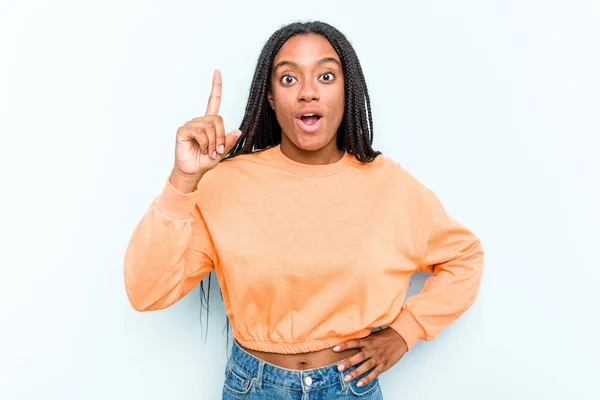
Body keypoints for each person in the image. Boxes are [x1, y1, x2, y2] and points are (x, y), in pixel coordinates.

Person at [124, 21, 484, 399]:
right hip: (254, 388)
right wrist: (183, 179)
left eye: (326, 76)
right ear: (270, 97)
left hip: (349, 387)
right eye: (289, 79)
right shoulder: (224, 183)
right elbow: (146, 292)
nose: (308, 92)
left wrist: (404, 333)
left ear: (347, 90)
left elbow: (464, 257)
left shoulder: (390, 186)